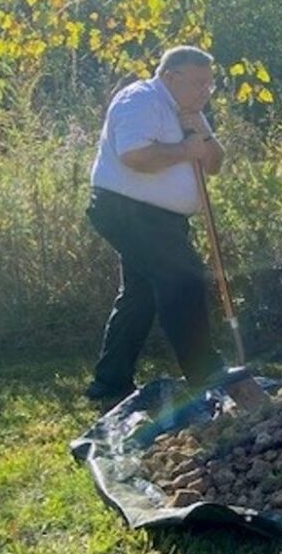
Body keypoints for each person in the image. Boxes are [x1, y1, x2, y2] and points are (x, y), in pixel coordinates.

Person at [85, 45, 264, 408]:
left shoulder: (189, 112)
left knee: (140, 296)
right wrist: (186, 149)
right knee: (183, 278)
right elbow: (133, 155)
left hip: (161, 218)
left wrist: (202, 136)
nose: (205, 92)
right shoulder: (141, 99)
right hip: (128, 210)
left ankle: (109, 381)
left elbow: (214, 164)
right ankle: (204, 370)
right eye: (199, 83)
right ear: (170, 76)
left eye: (210, 85)